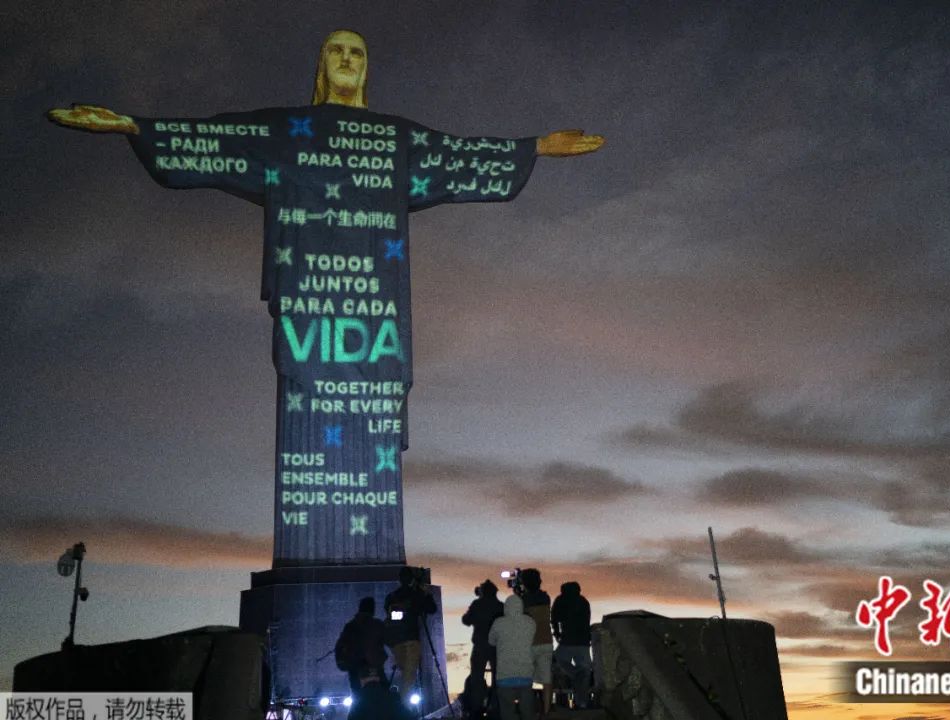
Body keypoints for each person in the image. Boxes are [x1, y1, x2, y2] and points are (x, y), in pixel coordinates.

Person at [46, 30, 605, 569]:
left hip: (376, 313)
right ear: (322, 64)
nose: (346, 59)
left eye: (356, 52)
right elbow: (218, 137)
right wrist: (133, 126)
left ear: (366, 67)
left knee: (374, 389)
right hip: (310, 306)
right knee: (305, 385)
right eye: (336, 50)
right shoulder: (288, 133)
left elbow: (455, 154)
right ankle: (310, 550)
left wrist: (532, 147)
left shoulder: (393, 139)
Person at [335, 596, 402, 720]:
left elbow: (341, 647)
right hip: (375, 669)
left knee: (358, 702)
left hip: (355, 671)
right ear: (372, 609)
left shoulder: (350, 626)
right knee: (382, 699)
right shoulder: (376, 625)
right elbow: (391, 640)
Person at [384, 566, 437, 696]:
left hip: (396, 640)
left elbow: (388, 613)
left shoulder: (392, 597)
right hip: (411, 639)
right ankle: (404, 702)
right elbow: (432, 609)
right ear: (412, 579)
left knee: (405, 672)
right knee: (409, 674)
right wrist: (426, 593)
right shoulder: (416, 595)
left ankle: (400, 700)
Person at [488, 594, 537, 720]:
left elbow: (491, 641)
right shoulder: (530, 622)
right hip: (525, 674)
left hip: (505, 676)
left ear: (506, 607)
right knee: (527, 713)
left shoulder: (498, 623)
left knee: (507, 713)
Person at [461, 579, 503, 717]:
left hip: (480, 645)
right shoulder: (501, 606)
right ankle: (496, 707)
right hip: (496, 647)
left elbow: (466, 620)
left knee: (477, 677)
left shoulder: (477, 604)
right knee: (498, 678)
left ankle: (476, 707)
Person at [551, 581, 593, 709]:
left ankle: (574, 674)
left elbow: (554, 618)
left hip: (568, 640)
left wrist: (557, 633)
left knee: (557, 661)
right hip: (583, 641)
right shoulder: (583, 602)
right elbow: (586, 620)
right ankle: (582, 702)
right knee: (584, 672)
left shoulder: (561, 600)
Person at [518, 569, 553, 716]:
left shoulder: (522, 600)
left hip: (529, 643)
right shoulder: (545, 597)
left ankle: (527, 710)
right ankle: (547, 711)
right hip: (545, 641)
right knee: (546, 680)